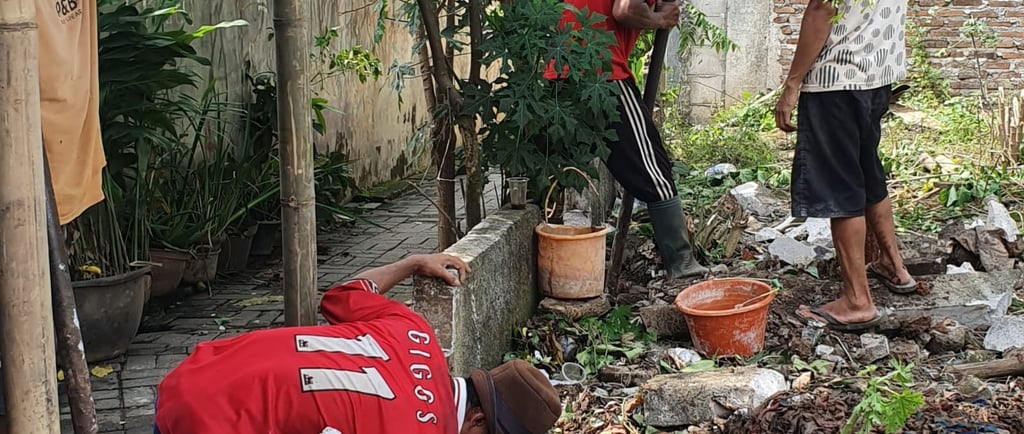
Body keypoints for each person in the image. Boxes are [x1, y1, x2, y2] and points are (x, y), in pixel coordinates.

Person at [153, 253, 562, 434]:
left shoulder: (417, 332)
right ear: (478, 421)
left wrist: (412, 263)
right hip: (209, 422)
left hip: (199, 371)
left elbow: (343, 294)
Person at [775, 0, 917, 331]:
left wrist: (792, 84)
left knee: (839, 186)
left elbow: (821, 9)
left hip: (837, 78)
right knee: (867, 172)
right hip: (878, 73)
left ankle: (857, 300)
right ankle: (893, 265)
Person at [545, 0, 711, 279]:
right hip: (602, 73)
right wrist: (660, 20)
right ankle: (682, 265)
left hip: (562, 70)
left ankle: (557, 264)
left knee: (555, 170)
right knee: (653, 170)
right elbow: (625, 9)